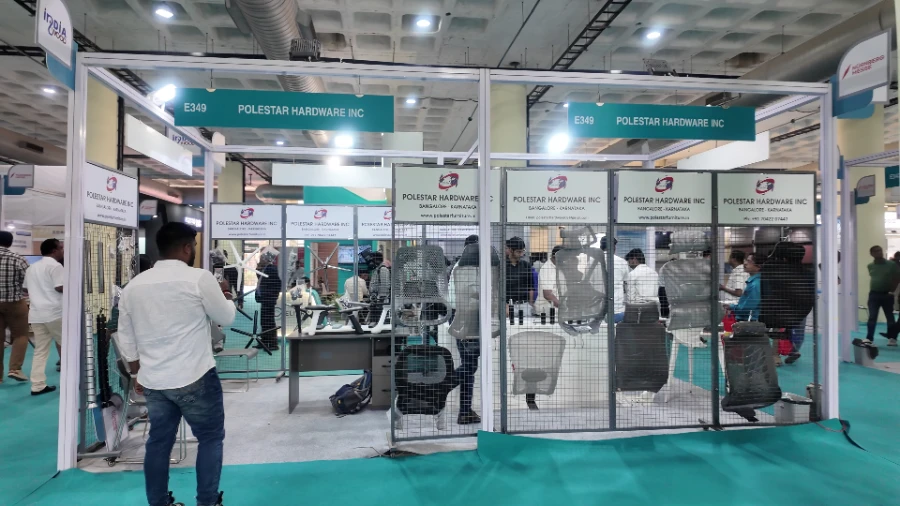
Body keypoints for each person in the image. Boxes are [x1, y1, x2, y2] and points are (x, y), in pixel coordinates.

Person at [114, 223, 235, 506]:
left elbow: (125, 336)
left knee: (159, 442)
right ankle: (207, 501)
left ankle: (158, 502)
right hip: (196, 376)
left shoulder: (133, 286)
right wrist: (226, 295)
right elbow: (226, 318)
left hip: (154, 380)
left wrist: (136, 374)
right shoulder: (199, 278)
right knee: (210, 438)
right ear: (187, 247)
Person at [22, 239, 64, 395]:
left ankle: (37, 385)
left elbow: (25, 289)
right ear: (54, 250)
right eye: (61, 248)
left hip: (36, 314)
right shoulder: (56, 266)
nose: (63, 251)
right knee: (68, 347)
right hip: (54, 313)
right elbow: (59, 287)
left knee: (40, 350)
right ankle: (72, 382)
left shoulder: (32, 268)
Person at [0, 231, 29, 383]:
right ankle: (15, 369)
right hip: (15, 303)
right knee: (21, 335)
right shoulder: (18, 259)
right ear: (10, 243)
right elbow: (28, 281)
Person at [864, 245, 900, 345]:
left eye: (880, 250)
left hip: (887, 294)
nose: (879, 252)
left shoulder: (891, 264)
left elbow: (897, 278)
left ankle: (892, 338)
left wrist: (892, 291)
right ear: (872, 254)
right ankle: (869, 338)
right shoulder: (870, 266)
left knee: (889, 316)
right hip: (874, 294)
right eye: (876, 251)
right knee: (872, 316)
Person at [255, 250, 281, 351]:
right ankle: (264, 341)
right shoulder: (265, 268)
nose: (260, 258)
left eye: (262, 257)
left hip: (269, 299)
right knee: (264, 321)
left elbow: (277, 284)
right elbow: (260, 279)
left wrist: (272, 295)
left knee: (269, 321)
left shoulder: (272, 269)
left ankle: (273, 343)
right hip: (265, 299)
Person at [600, 236, 628, 322]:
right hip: (617, 310)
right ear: (614, 247)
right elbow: (626, 283)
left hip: (597, 312)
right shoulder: (622, 262)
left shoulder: (592, 261)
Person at [725, 253, 761, 322]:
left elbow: (748, 308)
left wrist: (732, 307)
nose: (745, 263)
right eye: (746, 260)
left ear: (758, 266)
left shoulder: (756, 284)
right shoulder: (752, 282)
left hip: (749, 321)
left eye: (749, 261)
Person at [505, 236, 534, 317]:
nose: (521, 254)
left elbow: (531, 287)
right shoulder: (503, 267)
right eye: (518, 252)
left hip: (524, 304)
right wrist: (505, 305)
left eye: (523, 251)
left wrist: (531, 303)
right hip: (509, 305)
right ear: (511, 250)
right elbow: (497, 288)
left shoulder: (526, 265)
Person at [536, 246, 562, 315]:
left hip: (557, 310)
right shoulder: (547, 269)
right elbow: (547, 295)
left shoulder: (558, 267)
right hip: (546, 312)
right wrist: (564, 308)